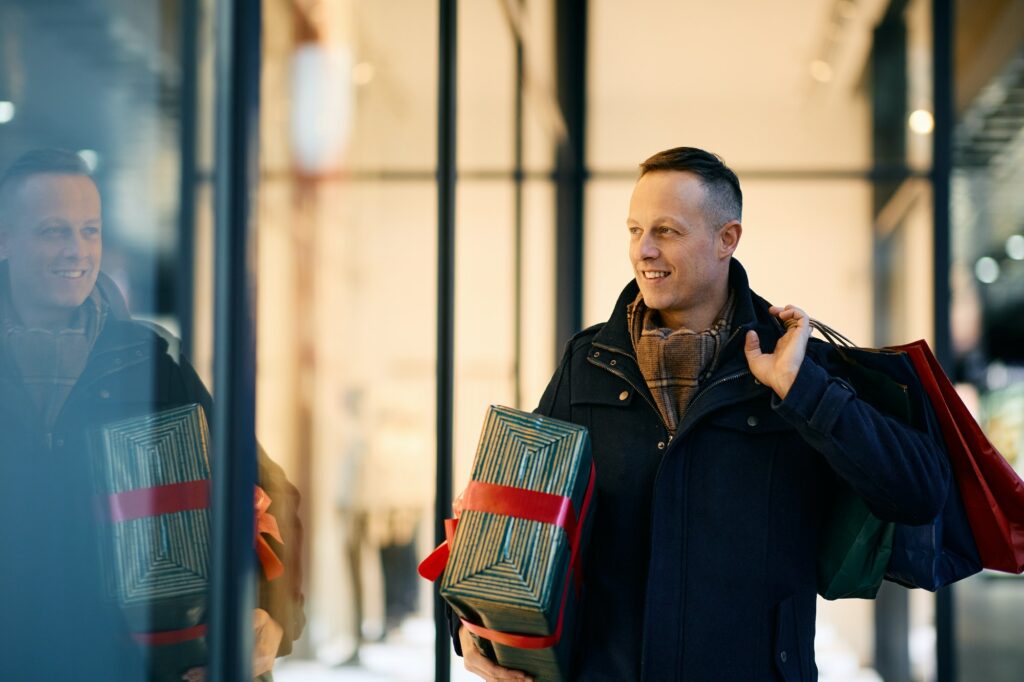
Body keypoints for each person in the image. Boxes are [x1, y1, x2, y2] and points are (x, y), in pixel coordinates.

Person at [453, 147, 949, 681]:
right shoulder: (590, 361)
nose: (643, 249)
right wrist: (470, 625)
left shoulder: (799, 364)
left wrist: (803, 391)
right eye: (635, 228)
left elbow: (918, 493)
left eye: (666, 231)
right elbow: (512, 511)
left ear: (726, 239)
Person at [0, 149, 304, 681]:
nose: (77, 250)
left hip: (129, 663)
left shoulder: (150, 361)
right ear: (4, 239)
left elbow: (266, 489)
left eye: (89, 230)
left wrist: (270, 613)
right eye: (53, 231)